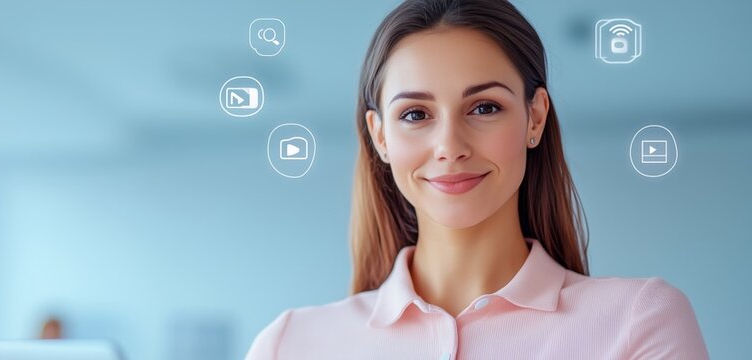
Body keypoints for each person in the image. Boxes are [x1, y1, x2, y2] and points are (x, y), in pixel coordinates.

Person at [245, 0, 709, 358]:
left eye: (484, 108)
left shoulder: (640, 320)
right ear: (380, 136)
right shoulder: (290, 344)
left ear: (535, 118)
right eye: (415, 114)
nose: (450, 145)